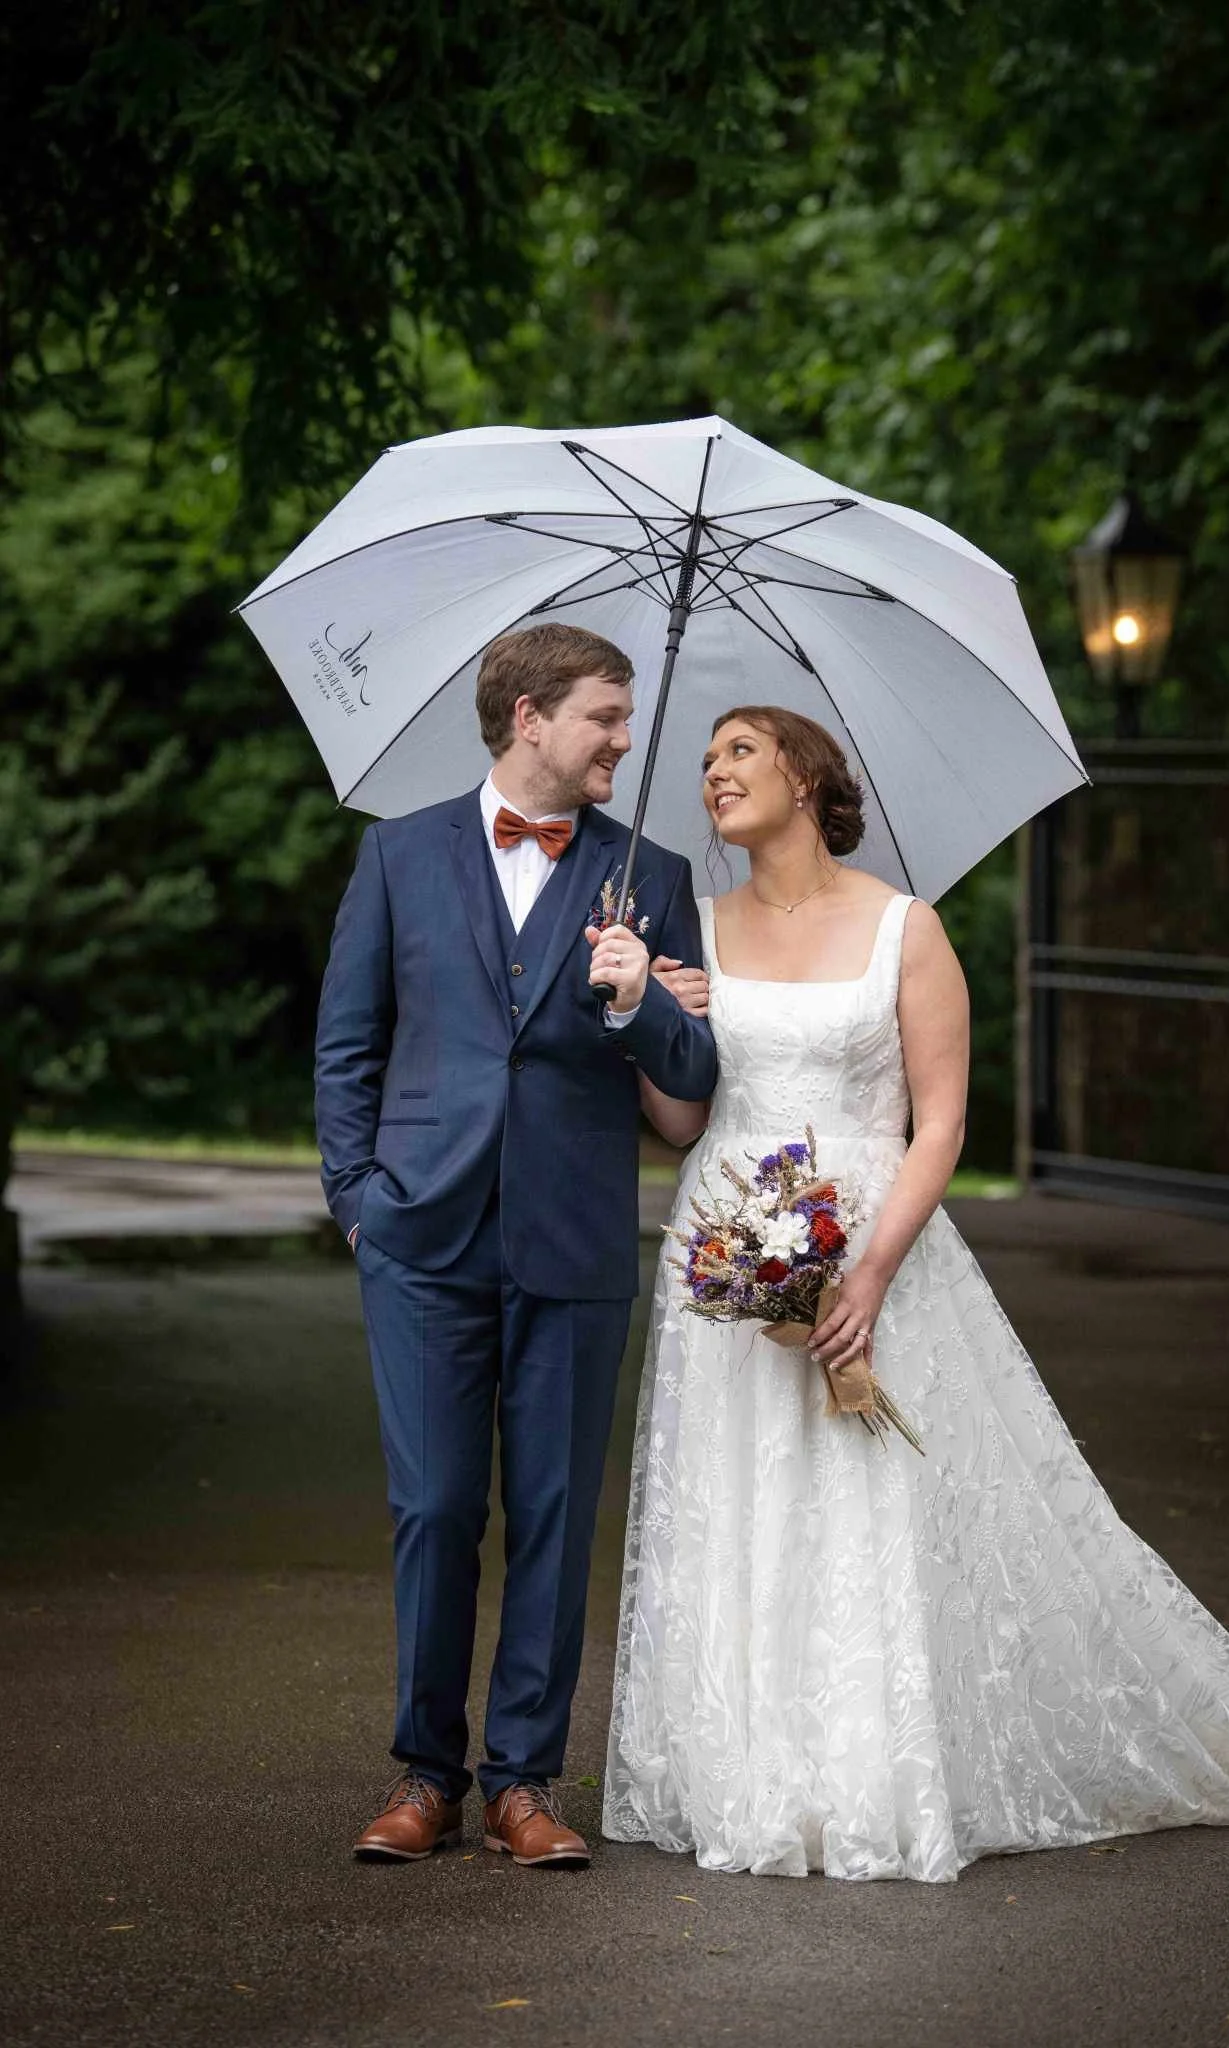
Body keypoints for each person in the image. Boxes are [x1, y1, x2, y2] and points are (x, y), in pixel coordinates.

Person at [603, 703, 1229, 1882]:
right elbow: (681, 1120)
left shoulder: (905, 926)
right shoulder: (688, 931)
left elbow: (941, 1118)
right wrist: (642, 1019)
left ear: (805, 778)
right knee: (737, 1496)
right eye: (705, 760)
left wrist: (867, 1268)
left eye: (738, 751)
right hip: (724, 1245)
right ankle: (746, 1770)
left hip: (872, 1235)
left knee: (862, 1504)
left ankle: (870, 1769)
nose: (713, 772)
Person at [315, 622, 716, 1869]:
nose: (624, 737)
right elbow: (348, 1041)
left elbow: (695, 1082)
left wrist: (636, 997)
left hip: (575, 1232)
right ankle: (424, 1772)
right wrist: (356, 1197)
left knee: (552, 1509)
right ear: (529, 715)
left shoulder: (650, 870)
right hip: (420, 1232)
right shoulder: (398, 853)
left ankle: (523, 1782)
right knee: (435, 1507)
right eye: (604, 713)